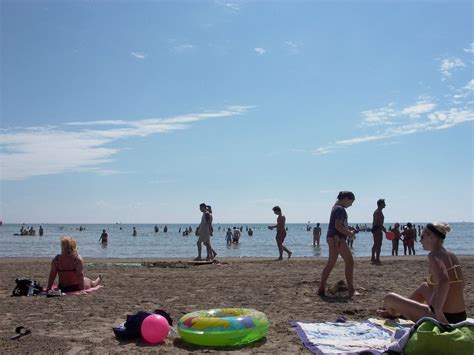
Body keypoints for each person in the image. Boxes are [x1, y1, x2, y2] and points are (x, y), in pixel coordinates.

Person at [380, 223, 466, 324]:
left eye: (422, 237)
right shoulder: (451, 255)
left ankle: (395, 312)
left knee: (389, 298)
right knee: (424, 287)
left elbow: (444, 281)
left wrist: (438, 310)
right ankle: (400, 312)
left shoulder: (434, 255)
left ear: (432, 237)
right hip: (460, 315)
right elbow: (461, 284)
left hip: (443, 317)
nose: (420, 240)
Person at [318, 191, 357, 297]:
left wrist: (348, 229)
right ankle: (351, 290)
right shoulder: (340, 209)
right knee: (350, 261)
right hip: (337, 238)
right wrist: (350, 234)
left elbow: (337, 225)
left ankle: (321, 288)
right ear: (346, 199)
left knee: (330, 263)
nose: (351, 204)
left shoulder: (335, 207)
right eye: (351, 202)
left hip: (332, 237)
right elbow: (338, 226)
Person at [371, 199, 386, 264]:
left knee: (376, 244)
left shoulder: (379, 211)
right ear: (380, 204)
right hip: (377, 229)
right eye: (384, 203)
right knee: (378, 244)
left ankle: (373, 257)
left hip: (377, 229)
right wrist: (383, 228)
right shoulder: (377, 212)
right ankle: (377, 258)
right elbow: (377, 222)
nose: (385, 204)